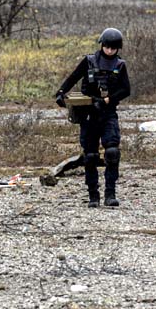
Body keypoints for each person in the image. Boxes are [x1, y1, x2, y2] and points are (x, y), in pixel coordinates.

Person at [55, 27, 131, 208]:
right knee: (90, 155)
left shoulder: (120, 65)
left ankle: (110, 193)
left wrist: (107, 100)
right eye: (107, 47)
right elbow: (74, 77)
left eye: (113, 48)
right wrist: (61, 92)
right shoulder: (89, 61)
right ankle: (93, 195)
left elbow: (126, 89)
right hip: (89, 113)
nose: (109, 51)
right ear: (102, 45)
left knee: (112, 152)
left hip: (108, 113)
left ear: (118, 48)